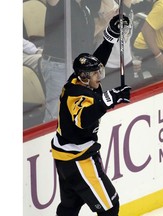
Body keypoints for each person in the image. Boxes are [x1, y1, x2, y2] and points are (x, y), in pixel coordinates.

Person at [51, 14, 131, 216]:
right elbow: (83, 120)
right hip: (78, 158)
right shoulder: (75, 94)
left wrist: (110, 37)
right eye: (96, 74)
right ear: (85, 78)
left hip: (65, 157)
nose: (100, 76)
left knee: (69, 207)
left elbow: (98, 60)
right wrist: (108, 100)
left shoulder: (77, 80)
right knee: (110, 206)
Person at [40, 0, 97, 123]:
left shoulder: (84, 6)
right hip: (59, 66)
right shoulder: (61, 3)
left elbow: (84, 36)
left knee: (77, 111)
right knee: (57, 115)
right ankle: (50, 141)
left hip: (79, 68)